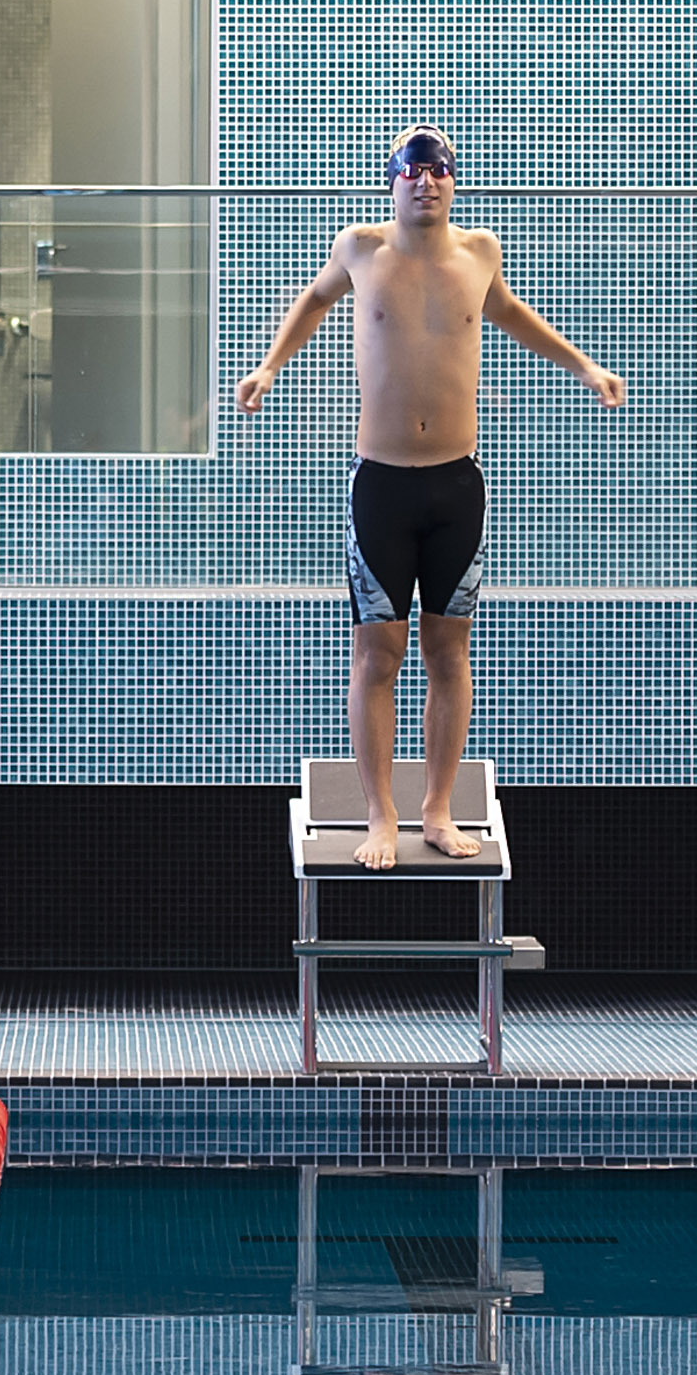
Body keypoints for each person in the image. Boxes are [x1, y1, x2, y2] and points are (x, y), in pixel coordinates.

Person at [232, 129, 628, 869]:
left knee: (448, 653)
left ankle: (436, 810)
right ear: (392, 183)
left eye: (439, 171)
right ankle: (379, 817)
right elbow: (313, 302)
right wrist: (266, 369)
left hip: (455, 486)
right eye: (412, 171)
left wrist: (584, 366)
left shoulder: (480, 253)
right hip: (380, 484)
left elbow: (509, 314)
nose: (427, 182)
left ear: (453, 183)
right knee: (376, 655)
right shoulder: (360, 249)